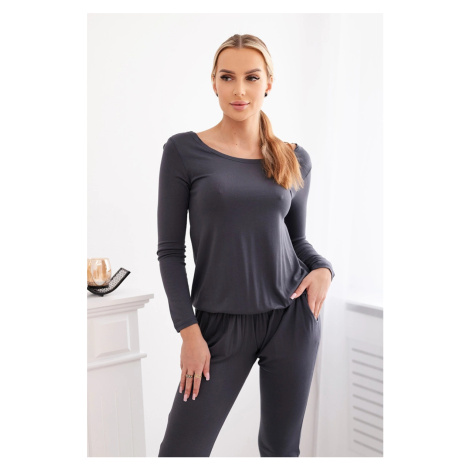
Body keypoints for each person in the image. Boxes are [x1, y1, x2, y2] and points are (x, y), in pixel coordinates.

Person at [156, 33, 335, 457]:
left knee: (280, 450)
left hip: (291, 318)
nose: (239, 90)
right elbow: (170, 252)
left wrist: (324, 268)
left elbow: (295, 239)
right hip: (218, 326)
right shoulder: (183, 151)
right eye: (227, 77)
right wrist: (188, 332)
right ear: (213, 83)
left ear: (268, 83)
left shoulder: (294, 157)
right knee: (180, 452)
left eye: (252, 77)